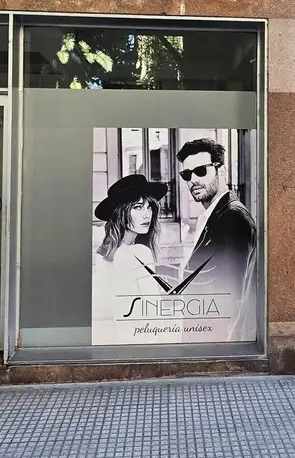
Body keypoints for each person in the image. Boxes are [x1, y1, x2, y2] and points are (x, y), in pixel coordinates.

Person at [177, 138, 258, 342]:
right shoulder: (215, 216)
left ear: (221, 171)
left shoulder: (231, 218)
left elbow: (231, 299)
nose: (193, 180)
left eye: (200, 171)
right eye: (187, 174)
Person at [91, 174, 176, 345]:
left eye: (149, 207)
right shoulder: (140, 253)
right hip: (141, 343)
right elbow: (154, 313)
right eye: (138, 207)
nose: (147, 215)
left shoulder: (105, 254)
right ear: (120, 213)